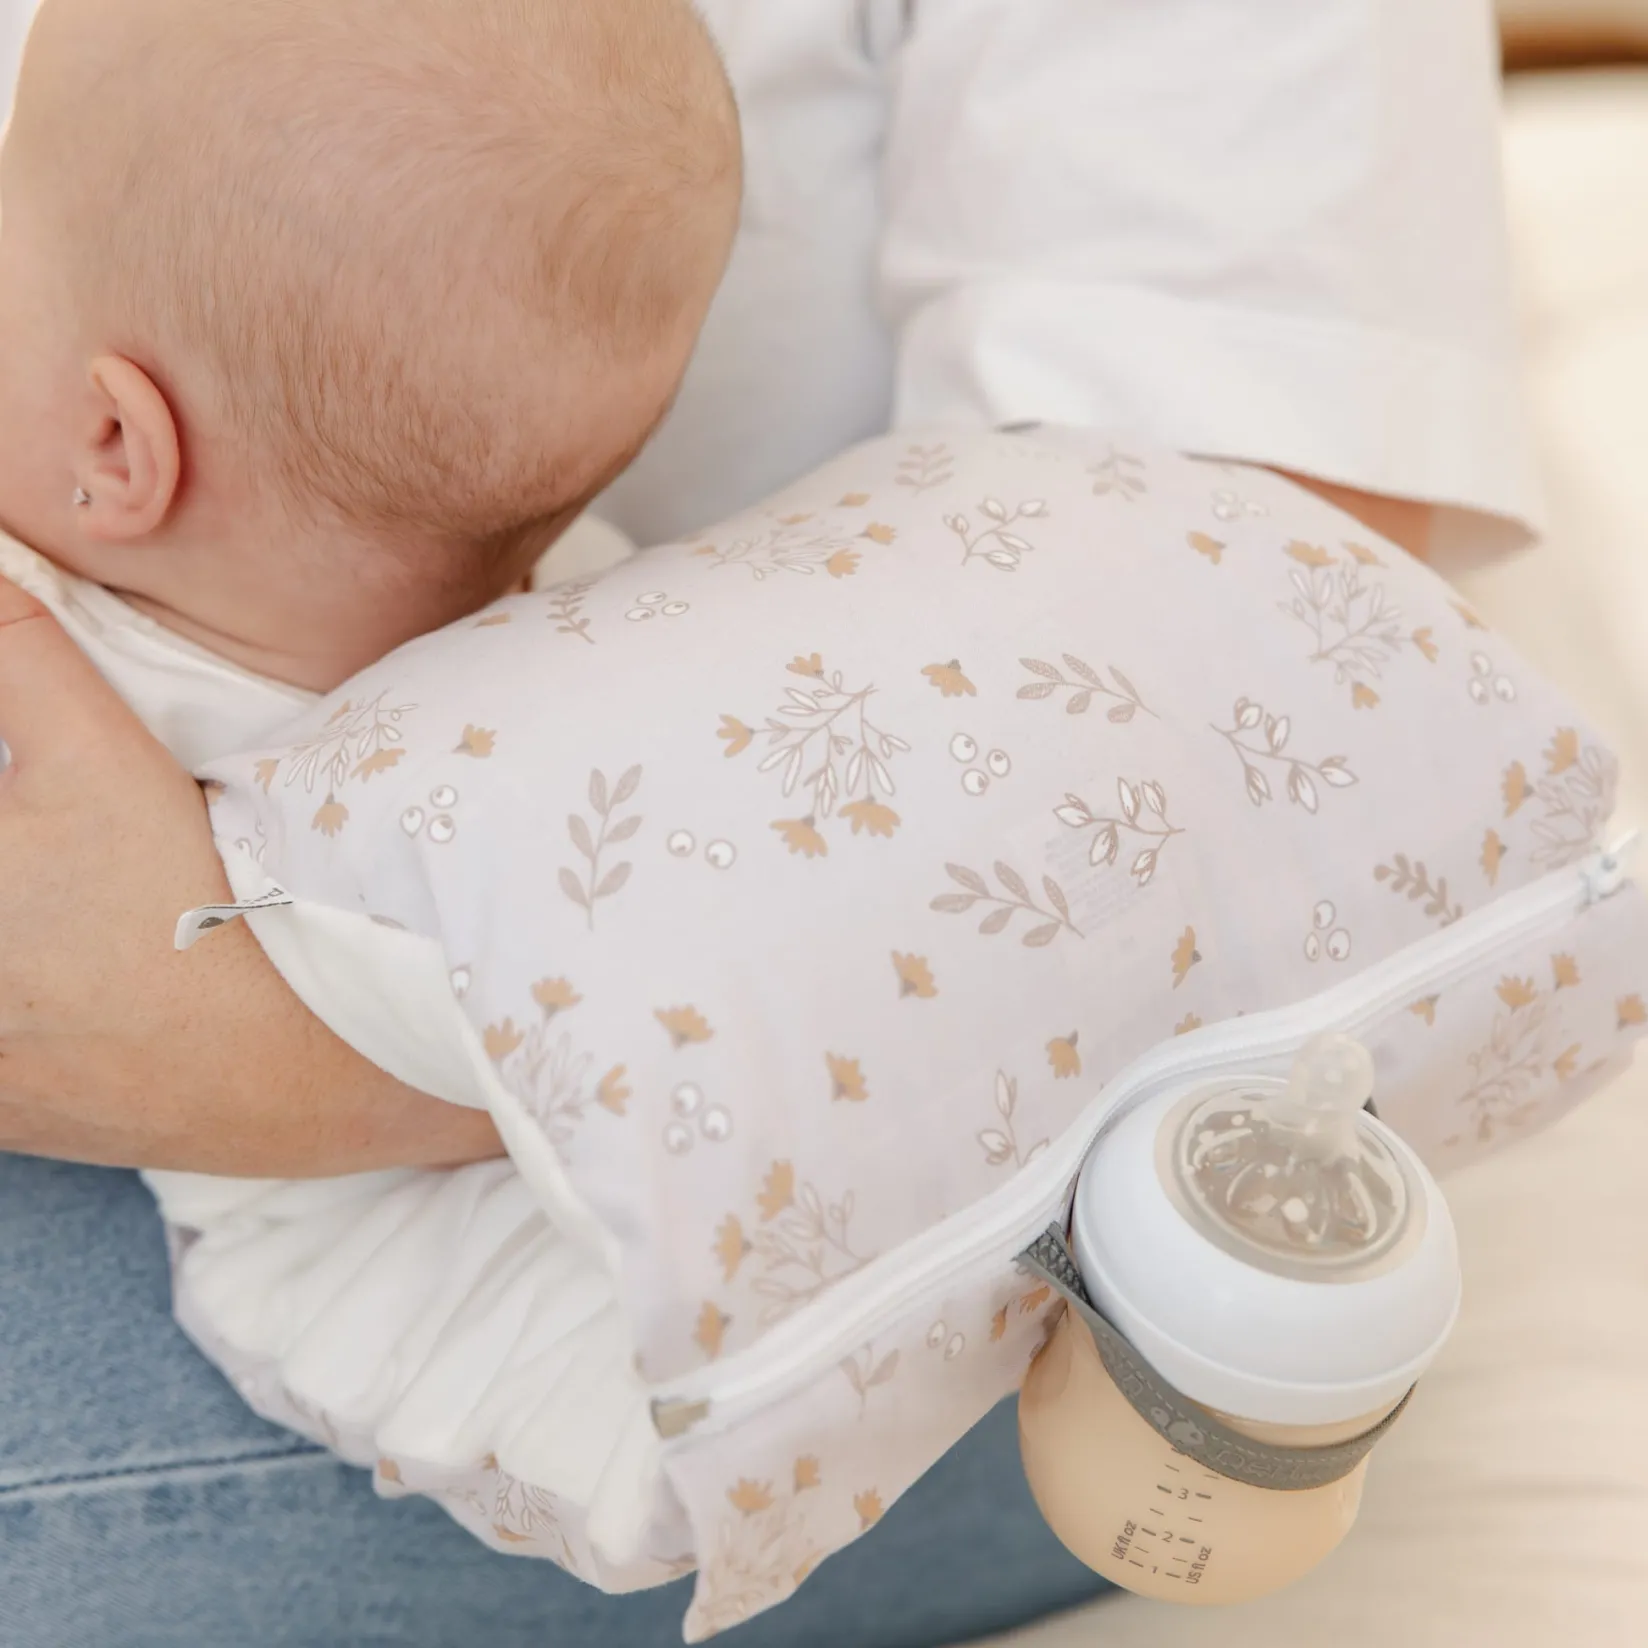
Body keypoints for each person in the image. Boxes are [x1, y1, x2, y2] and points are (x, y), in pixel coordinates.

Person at [0, 1, 1534, 1643]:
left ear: (119, 441)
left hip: (908, 1234)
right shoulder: (605, 646)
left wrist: (253, 1038)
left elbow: (1238, 684)